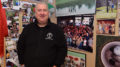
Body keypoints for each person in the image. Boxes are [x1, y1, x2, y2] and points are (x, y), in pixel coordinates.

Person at [17, 2, 67, 67]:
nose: (42, 13)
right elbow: (20, 46)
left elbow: (63, 49)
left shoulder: (57, 30)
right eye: (39, 10)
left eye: (44, 10)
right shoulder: (27, 29)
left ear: (48, 13)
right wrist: (22, 63)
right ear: (35, 13)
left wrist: (56, 65)